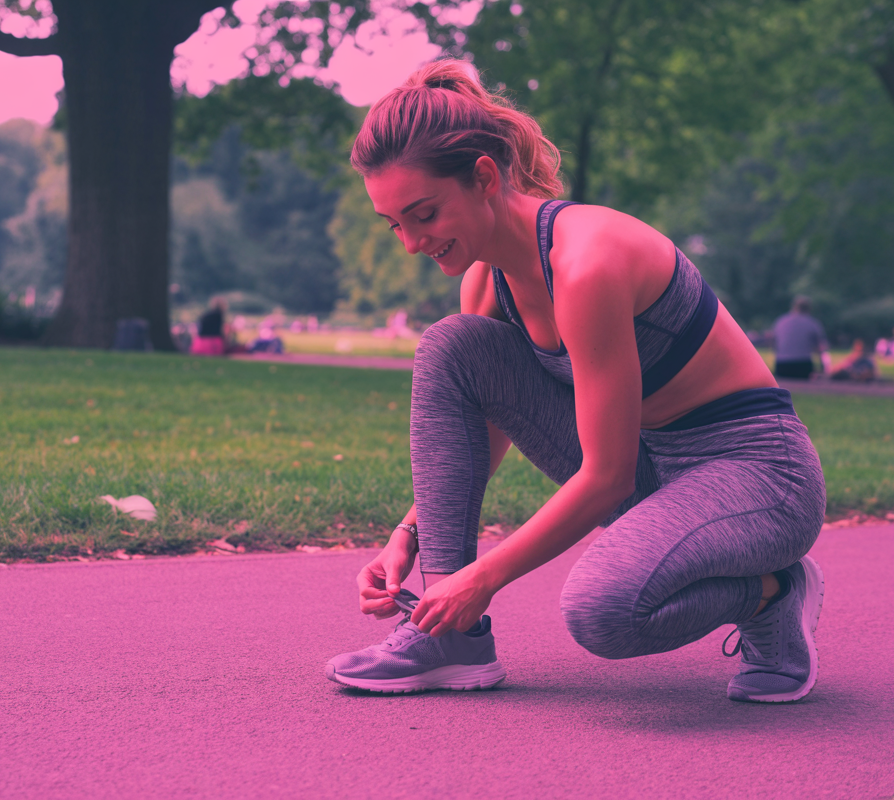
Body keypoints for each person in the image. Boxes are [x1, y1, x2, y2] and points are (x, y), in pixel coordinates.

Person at [325, 61, 826, 704]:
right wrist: (408, 536)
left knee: (602, 610)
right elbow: (488, 427)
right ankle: (448, 636)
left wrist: (483, 578)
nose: (412, 243)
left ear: (482, 176)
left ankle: (775, 592)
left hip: (758, 476)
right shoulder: (485, 277)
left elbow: (607, 475)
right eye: (396, 224)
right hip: (657, 465)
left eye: (424, 214)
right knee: (450, 344)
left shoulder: (586, 263)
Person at [772, 296, 829, 379]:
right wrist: (822, 369)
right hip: (802, 366)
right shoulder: (812, 323)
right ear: (809, 308)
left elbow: (773, 343)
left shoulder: (781, 321)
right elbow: (821, 347)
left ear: (793, 307)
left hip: (782, 365)